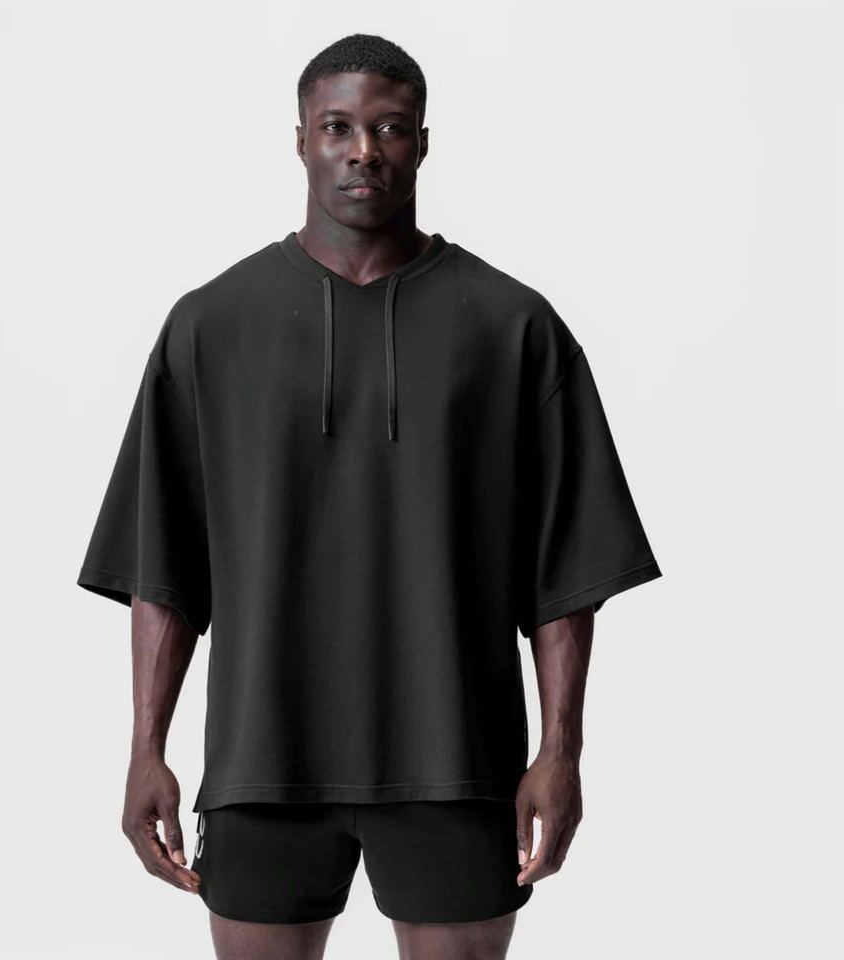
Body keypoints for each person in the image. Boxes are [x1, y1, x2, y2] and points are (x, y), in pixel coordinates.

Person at [76, 32, 662, 960]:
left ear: (422, 143)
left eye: (388, 128)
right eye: (337, 127)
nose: (363, 151)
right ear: (300, 140)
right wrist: (146, 749)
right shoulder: (210, 325)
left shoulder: (512, 325)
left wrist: (561, 753)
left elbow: (565, 574)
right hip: (262, 762)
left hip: (457, 763)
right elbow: (164, 568)